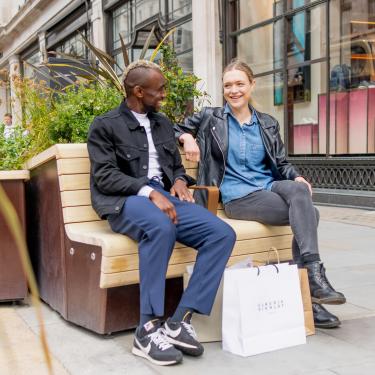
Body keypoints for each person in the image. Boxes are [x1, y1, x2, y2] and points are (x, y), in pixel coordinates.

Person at [174, 59, 346, 329]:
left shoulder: (267, 123)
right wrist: (187, 138)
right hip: (237, 196)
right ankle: (311, 292)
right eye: (228, 85)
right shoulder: (211, 117)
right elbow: (175, 129)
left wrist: (296, 176)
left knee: (300, 192)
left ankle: (312, 276)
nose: (234, 90)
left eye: (240, 84)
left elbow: (281, 164)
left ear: (252, 85)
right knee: (309, 213)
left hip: (268, 185)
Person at [87, 60, 236, 366]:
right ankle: (146, 329)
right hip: (126, 201)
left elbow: (176, 166)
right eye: (160, 89)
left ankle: (178, 321)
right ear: (138, 91)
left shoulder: (162, 123)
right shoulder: (105, 125)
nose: (164, 94)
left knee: (222, 234)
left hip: (165, 198)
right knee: (161, 227)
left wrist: (180, 181)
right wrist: (150, 191)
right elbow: (105, 177)